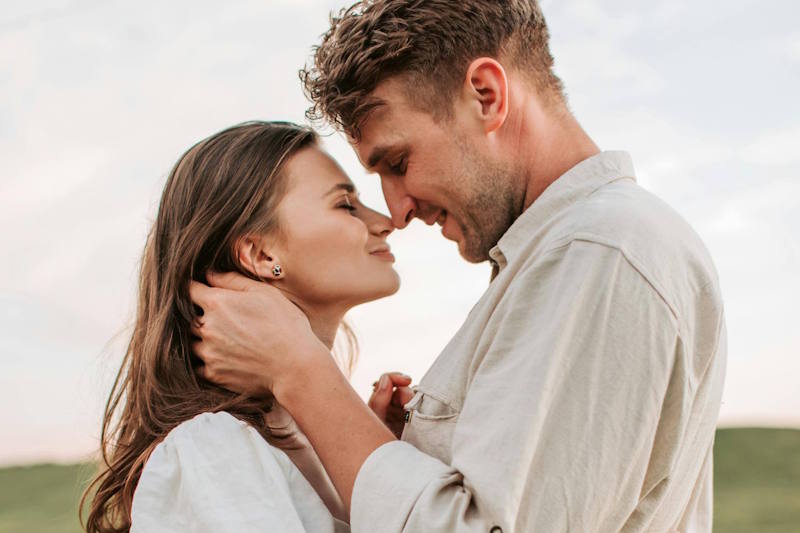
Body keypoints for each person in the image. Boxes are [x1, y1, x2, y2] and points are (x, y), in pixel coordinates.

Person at [190, 1, 727, 532]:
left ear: (486, 96)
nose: (396, 211)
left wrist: (300, 372)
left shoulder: (596, 252)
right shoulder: (573, 254)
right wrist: (391, 457)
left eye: (398, 163)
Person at [82, 121, 410, 533]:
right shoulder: (212, 450)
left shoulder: (302, 446)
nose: (386, 221)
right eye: (345, 205)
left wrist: (383, 464)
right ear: (258, 253)